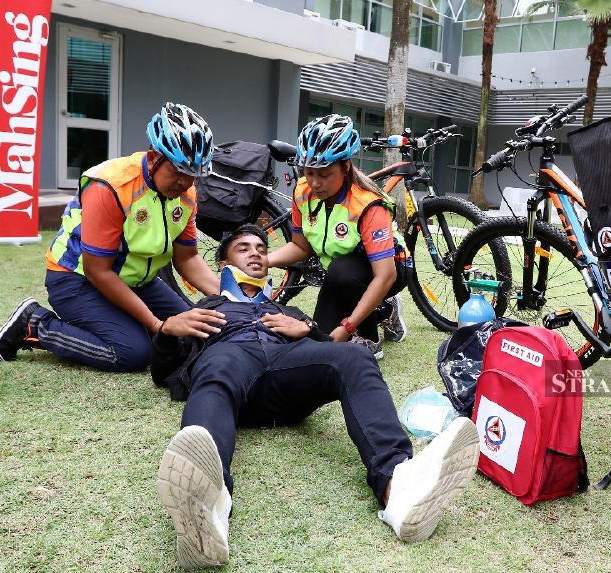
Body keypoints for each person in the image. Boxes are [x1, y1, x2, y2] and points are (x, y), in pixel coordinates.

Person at [152, 224, 479, 569]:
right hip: (229, 362)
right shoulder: (204, 308)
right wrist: (166, 331)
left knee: (355, 356)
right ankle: (211, 506)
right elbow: (164, 372)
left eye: (261, 249)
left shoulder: (288, 312)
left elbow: (329, 361)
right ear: (222, 264)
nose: (256, 253)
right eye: (243, 248)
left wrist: (310, 330)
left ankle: (398, 488)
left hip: (284, 372)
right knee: (216, 370)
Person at [0, 102, 220, 372]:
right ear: (154, 157)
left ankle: (131, 325)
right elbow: (97, 271)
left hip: (136, 279)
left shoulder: (186, 195)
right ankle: (35, 324)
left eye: (192, 175)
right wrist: (157, 324)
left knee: (194, 333)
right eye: (178, 171)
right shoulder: (111, 186)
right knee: (134, 353)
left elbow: (188, 258)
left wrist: (231, 296)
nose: (185, 182)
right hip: (76, 280)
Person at [267, 114, 409, 359]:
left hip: (390, 269)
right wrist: (265, 261)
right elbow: (300, 247)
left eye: (324, 174)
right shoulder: (303, 190)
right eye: (309, 172)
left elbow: (385, 276)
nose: (314, 182)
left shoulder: (367, 205)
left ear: (345, 167)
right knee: (319, 343)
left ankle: (369, 337)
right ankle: (385, 310)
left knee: (343, 274)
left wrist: (348, 327)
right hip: (339, 271)